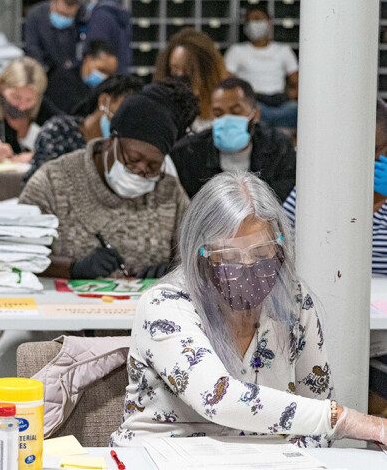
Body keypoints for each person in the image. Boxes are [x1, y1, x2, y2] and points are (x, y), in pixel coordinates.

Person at [112, 171, 387, 448]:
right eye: (228, 257)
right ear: (199, 255)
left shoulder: (292, 300)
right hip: (163, 457)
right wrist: (346, 420)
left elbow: (315, 405)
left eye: (261, 253)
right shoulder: (166, 305)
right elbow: (217, 398)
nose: (247, 268)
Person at [0, 79, 198, 378]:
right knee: (17, 353)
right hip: (55, 323)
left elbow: (196, 256)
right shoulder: (55, 179)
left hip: (137, 327)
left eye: (152, 167)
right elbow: (14, 255)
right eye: (133, 159)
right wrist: (71, 268)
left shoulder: (167, 191)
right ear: (112, 140)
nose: (140, 172)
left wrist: (170, 272)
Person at [284, 99, 387, 275]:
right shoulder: (314, 188)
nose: (363, 161)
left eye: (374, 150)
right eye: (353, 151)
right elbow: (278, 239)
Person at [170, 77, 295, 202]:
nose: (227, 119)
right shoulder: (188, 152)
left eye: (235, 112)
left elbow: (283, 198)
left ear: (255, 115)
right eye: (218, 113)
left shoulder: (279, 147)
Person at [26, 74, 142, 182]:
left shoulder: (122, 147)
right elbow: (42, 182)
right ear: (104, 101)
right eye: (126, 109)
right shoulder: (59, 130)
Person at [224, 5, 299, 129]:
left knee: (296, 110)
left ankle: (266, 123)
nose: (254, 24)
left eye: (258, 19)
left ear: (269, 22)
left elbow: (296, 81)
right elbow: (227, 82)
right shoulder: (236, 51)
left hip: (280, 102)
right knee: (249, 110)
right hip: (253, 100)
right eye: (250, 20)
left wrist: (290, 95)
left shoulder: (284, 50)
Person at [153, 28, 229, 132]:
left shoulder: (221, 113)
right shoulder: (162, 109)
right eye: (174, 70)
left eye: (187, 72)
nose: (179, 76)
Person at [44, 40, 119, 114]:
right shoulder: (60, 79)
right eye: (102, 70)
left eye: (109, 74)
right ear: (88, 59)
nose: (105, 76)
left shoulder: (102, 93)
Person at [24, 0, 81, 71]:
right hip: (43, 67)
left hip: (67, 69)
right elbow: (32, 47)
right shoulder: (35, 15)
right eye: (61, 13)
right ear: (52, 4)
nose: (64, 18)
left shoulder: (79, 15)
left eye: (69, 16)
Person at [81, 0, 132, 75]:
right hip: (119, 74)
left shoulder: (100, 16)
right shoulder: (115, 11)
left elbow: (98, 54)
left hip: (105, 76)